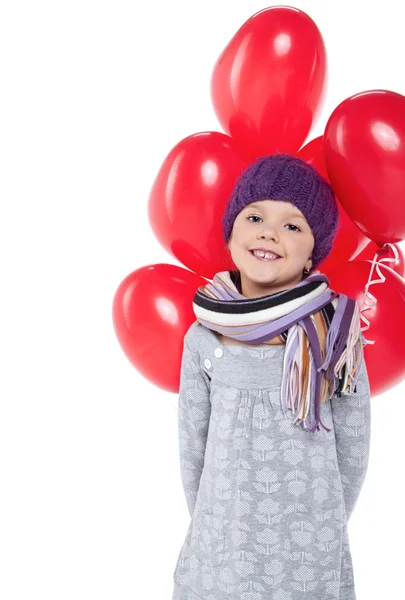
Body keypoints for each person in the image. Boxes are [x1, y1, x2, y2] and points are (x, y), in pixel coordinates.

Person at [172, 153, 371, 600]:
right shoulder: (204, 338)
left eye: (293, 225)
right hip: (223, 542)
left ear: (311, 255)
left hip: (309, 545)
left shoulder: (335, 333)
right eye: (255, 216)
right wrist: (215, 522)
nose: (269, 232)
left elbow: (353, 447)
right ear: (231, 233)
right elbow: (193, 450)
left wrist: (324, 525)